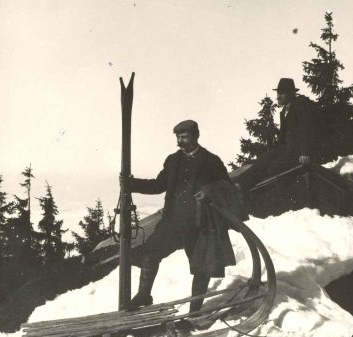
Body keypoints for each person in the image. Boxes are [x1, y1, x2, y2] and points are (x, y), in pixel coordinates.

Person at [122, 119, 236, 314]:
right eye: (177, 137)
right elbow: (158, 185)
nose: (180, 141)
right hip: (173, 222)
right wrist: (132, 184)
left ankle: (194, 311)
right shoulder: (173, 160)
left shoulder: (211, 161)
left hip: (200, 224)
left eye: (184, 137)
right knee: (150, 254)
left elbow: (227, 187)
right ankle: (144, 295)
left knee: (202, 267)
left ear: (196, 136)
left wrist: (209, 190)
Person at [235, 78, 320, 191]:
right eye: (278, 93)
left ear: (291, 93)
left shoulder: (300, 106)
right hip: (286, 150)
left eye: (282, 93)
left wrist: (305, 153)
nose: (278, 96)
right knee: (264, 159)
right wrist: (274, 152)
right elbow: (282, 138)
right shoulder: (284, 111)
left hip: (298, 153)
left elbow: (305, 130)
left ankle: (243, 188)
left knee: (272, 168)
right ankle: (238, 184)